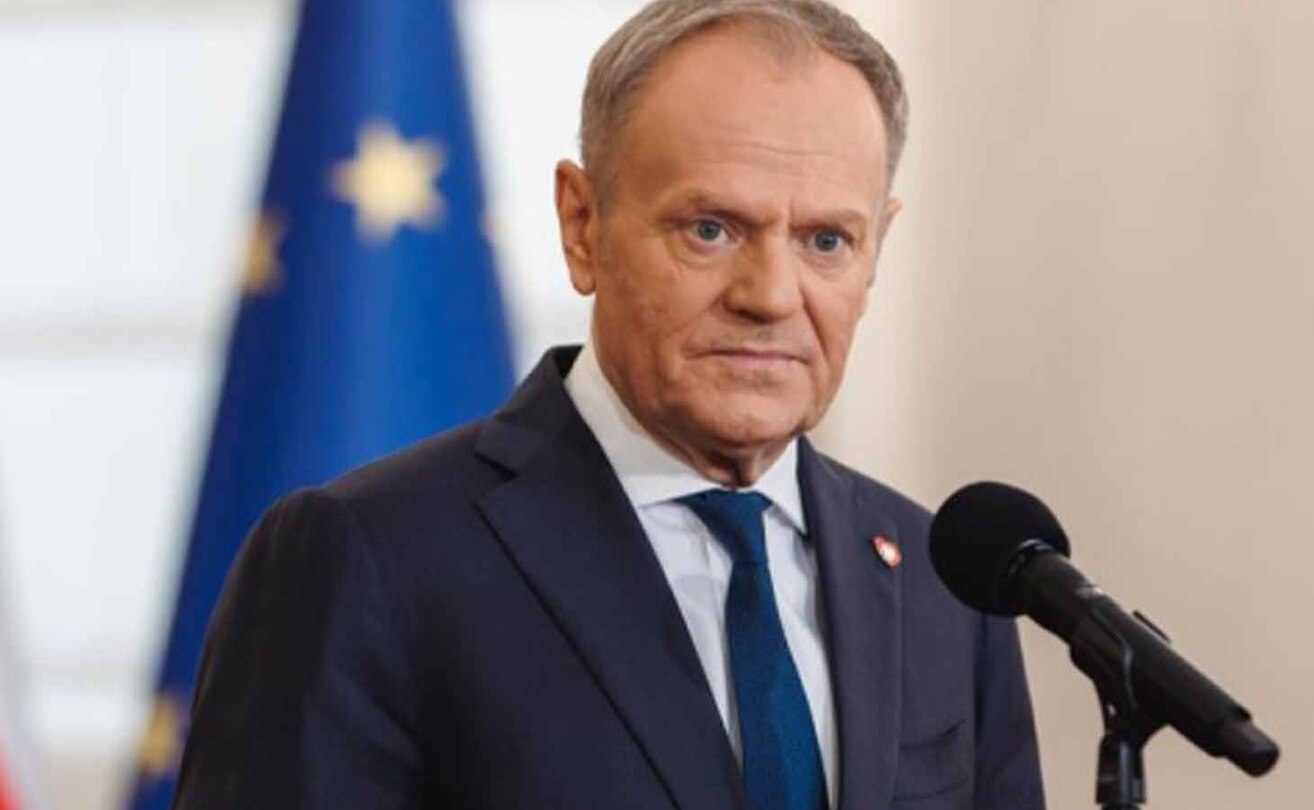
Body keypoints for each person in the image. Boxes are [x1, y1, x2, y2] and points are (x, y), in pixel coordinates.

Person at [172, 1, 1045, 808]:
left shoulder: (944, 581)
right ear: (582, 225)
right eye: (711, 229)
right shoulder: (368, 557)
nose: (772, 294)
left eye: (826, 240)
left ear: (876, 248)